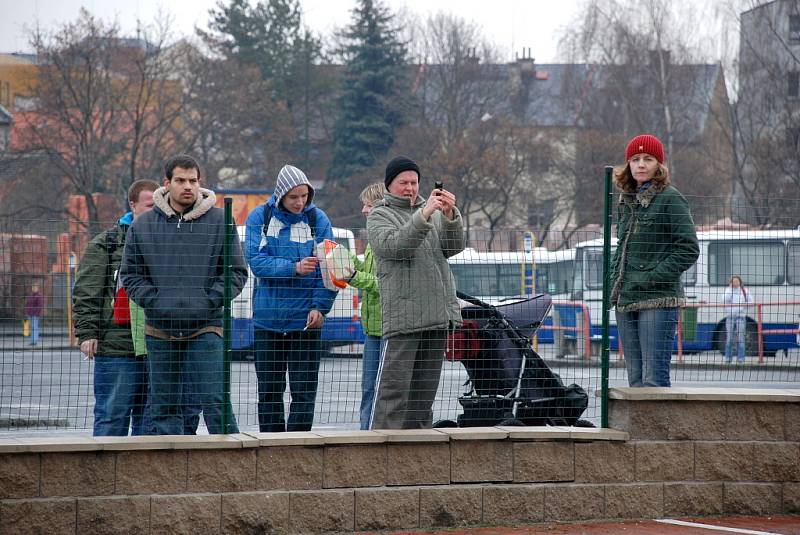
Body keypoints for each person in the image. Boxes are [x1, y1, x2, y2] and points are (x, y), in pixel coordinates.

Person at [120, 154, 247, 435]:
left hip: (206, 327)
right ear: (167, 184)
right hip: (160, 329)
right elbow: (129, 275)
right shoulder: (143, 225)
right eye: (180, 180)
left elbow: (236, 272)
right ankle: (172, 471)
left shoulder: (220, 221)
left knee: (216, 403)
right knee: (164, 406)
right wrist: (156, 302)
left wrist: (208, 301)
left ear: (200, 183)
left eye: (193, 180)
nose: (187, 186)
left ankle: (232, 467)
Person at [367, 156, 465, 429]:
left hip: (437, 316)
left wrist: (450, 216)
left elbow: (452, 248)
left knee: (424, 393)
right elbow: (395, 247)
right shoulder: (379, 214)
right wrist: (422, 216)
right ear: (389, 185)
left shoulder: (432, 211)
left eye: (414, 182)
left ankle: (419, 443)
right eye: (403, 182)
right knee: (394, 391)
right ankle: (383, 443)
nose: (410, 188)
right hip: (405, 317)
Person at [244, 165, 337, 432]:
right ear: (281, 194)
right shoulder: (259, 217)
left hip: (305, 322)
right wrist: (294, 268)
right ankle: (271, 448)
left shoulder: (318, 220)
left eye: (304, 196)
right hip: (268, 322)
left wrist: (321, 307)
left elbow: (330, 269)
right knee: (270, 393)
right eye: (293, 197)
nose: (300, 203)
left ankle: (299, 447)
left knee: (304, 393)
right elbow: (257, 262)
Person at [610, 134, 699, 387]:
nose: (640, 164)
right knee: (635, 380)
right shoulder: (627, 200)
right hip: (626, 298)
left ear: (659, 164)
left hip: (657, 299)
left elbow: (688, 249)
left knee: (653, 380)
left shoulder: (671, 198)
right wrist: (614, 282)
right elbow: (621, 249)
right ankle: (638, 429)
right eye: (635, 159)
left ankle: (656, 428)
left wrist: (651, 276)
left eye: (648, 159)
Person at [73, 179, 158, 436]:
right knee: (112, 416)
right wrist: (88, 333)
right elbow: (88, 290)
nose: (155, 211)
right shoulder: (106, 244)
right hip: (116, 347)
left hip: (156, 345)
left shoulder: (166, 241)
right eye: (149, 205)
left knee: (149, 423)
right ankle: (105, 475)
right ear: (132, 205)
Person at [346, 183, 386, 430]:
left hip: (387, 328)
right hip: (372, 327)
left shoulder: (386, 241)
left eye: (368, 205)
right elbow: (366, 272)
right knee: (368, 386)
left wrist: (354, 278)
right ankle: (366, 431)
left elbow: (385, 285)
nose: (363, 210)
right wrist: (343, 257)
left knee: (380, 388)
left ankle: (374, 431)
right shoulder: (373, 242)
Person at [723, 275, 753, 363]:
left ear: (740, 282)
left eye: (737, 281)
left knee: (741, 338)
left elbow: (751, 302)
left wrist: (743, 307)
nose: (735, 283)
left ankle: (741, 358)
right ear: (731, 282)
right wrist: (730, 290)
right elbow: (724, 300)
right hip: (730, 316)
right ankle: (728, 358)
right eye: (733, 281)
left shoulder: (745, 291)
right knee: (729, 338)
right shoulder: (728, 290)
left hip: (741, 316)